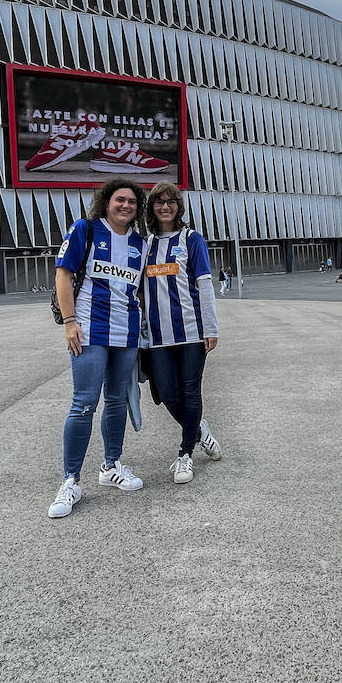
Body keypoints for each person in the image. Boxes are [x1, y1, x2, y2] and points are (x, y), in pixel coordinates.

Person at [48, 178, 149, 519]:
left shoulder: (140, 242)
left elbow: (143, 289)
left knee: (118, 399)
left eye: (132, 202)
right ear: (106, 202)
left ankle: (111, 465)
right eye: (120, 199)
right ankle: (70, 480)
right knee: (83, 403)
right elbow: (63, 275)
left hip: (127, 332)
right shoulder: (85, 230)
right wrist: (69, 321)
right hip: (89, 330)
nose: (126, 205)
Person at [142, 182, 224, 484]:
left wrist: (210, 327)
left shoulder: (192, 239)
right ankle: (200, 430)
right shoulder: (145, 244)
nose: (165, 207)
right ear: (151, 208)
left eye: (171, 202)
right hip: (157, 336)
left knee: (190, 392)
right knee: (165, 392)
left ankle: (185, 454)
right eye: (159, 202)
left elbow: (204, 283)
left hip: (191, 332)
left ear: (179, 206)